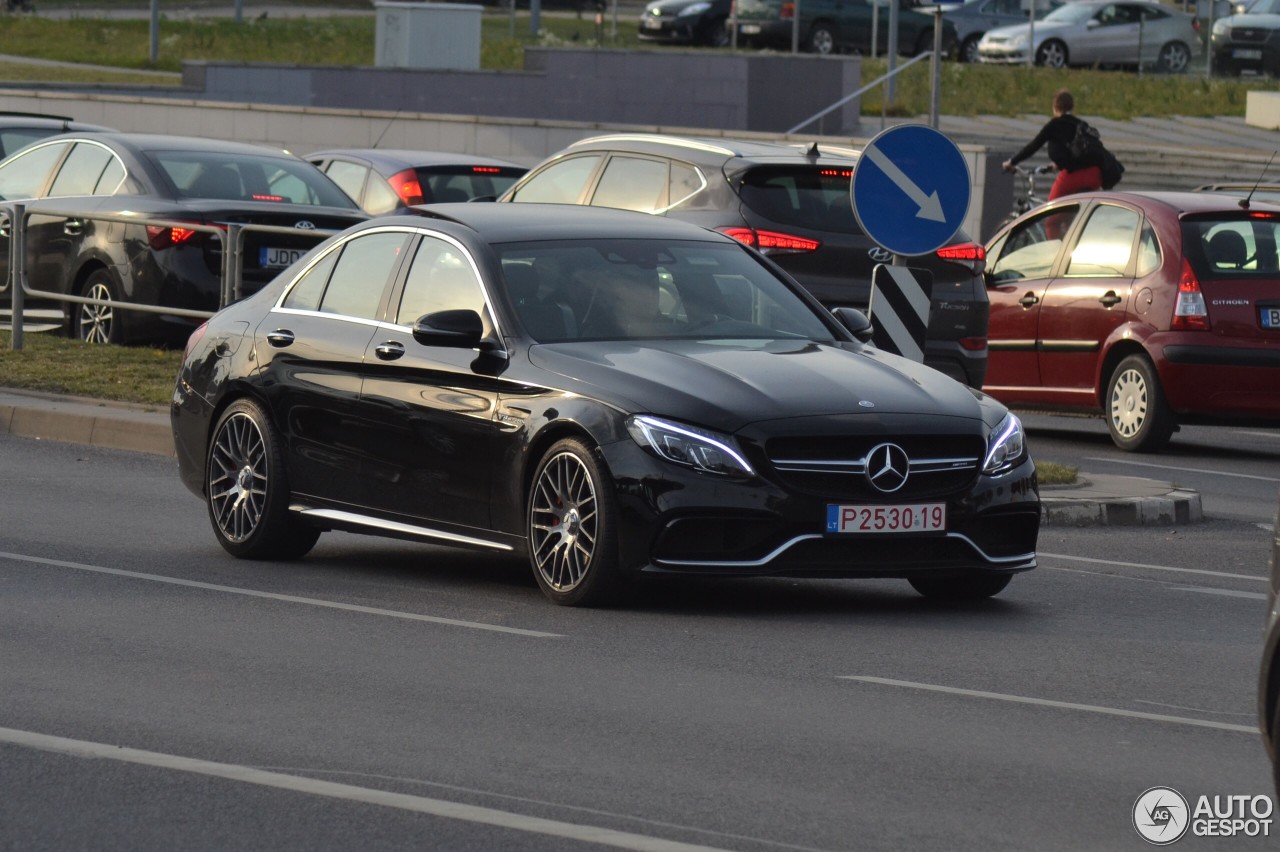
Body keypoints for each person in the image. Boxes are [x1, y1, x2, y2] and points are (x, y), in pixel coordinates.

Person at [1002, 89, 1102, 201]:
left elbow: (1033, 146)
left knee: (1051, 211)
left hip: (1074, 176)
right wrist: (1057, 164)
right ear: (1072, 107)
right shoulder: (1082, 124)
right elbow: (1077, 151)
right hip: (1095, 175)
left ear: (1055, 107)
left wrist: (1011, 162)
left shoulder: (1054, 125)